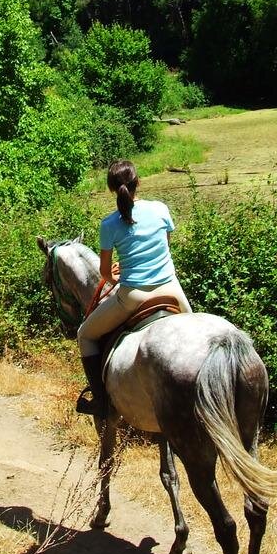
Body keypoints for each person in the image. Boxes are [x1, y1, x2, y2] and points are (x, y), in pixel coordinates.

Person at [75, 160, 192, 417]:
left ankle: (101, 403)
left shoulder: (109, 224)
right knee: (195, 334)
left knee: (85, 335)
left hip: (133, 296)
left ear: (111, 189)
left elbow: (105, 273)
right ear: (138, 182)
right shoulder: (160, 209)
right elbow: (165, 248)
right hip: (171, 289)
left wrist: (116, 276)